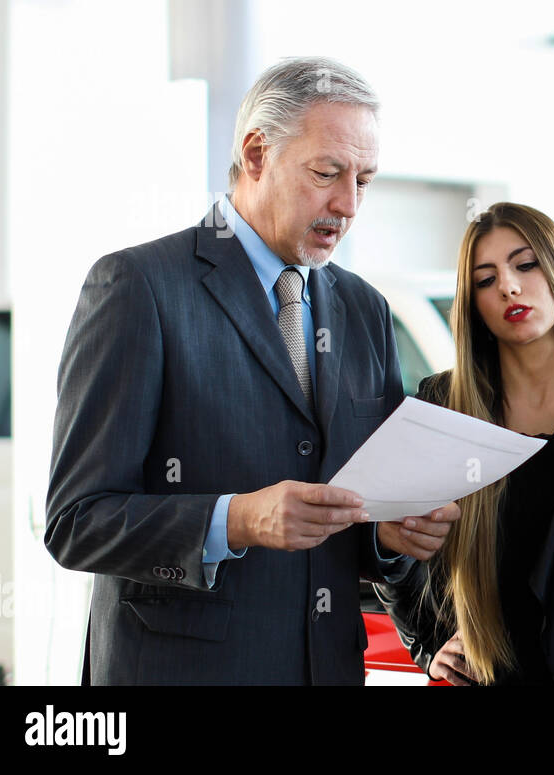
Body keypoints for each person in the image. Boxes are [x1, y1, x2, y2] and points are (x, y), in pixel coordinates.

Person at [45, 56, 459, 685]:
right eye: (327, 173)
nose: (348, 204)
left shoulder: (364, 308)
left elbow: (362, 508)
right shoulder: (138, 286)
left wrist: (390, 537)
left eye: (365, 181)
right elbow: (77, 522)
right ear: (258, 153)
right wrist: (236, 520)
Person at [376, 202, 554, 685]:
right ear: (474, 306)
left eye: (525, 265)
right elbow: (390, 544)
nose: (509, 286)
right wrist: (427, 646)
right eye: (486, 280)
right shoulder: (444, 403)